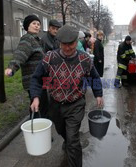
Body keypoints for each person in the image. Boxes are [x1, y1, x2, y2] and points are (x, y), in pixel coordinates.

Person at [30, 25, 104, 167]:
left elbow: (94, 77)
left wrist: (98, 94)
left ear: (77, 42)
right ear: (59, 43)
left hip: (76, 104)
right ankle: (67, 140)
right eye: (65, 44)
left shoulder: (85, 59)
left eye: (72, 44)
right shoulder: (50, 58)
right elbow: (36, 78)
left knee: (73, 139)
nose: (68, 48)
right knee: (61, 130)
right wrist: (36, 97)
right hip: (55, 105)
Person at [4, 14, 45, 118]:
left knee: (41, 106)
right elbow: (20, 54)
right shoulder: (27, 39)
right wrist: (12, 67)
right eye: (34, 23)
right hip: (33, 80)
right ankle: (36, 130)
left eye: (38, 24)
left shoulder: (36, 40)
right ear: (27, 26)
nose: (37, 26)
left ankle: (41, 129)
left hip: (40, 79)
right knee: (36, 107)